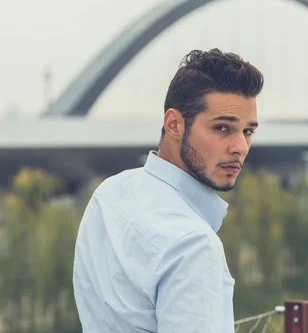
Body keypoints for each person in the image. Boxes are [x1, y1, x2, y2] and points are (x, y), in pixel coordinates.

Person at [73, 48, 263, 332]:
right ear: (174, 124)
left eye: (248, 131)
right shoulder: (193, 247)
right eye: (223, 128)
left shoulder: (110, 193)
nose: (241, 147)